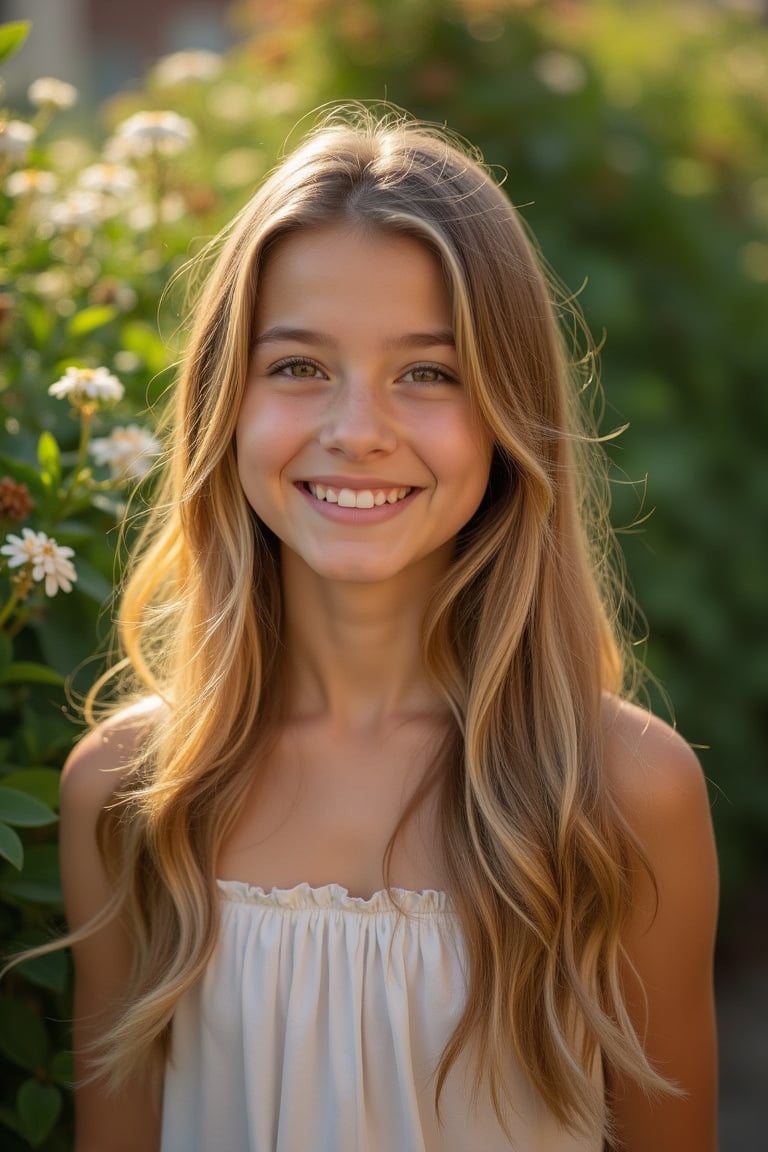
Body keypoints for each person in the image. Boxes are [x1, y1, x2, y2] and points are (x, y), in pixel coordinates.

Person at [58, 107, 718, 1152]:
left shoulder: (624, 793)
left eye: (428, 372)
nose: (357, 430)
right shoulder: (134, 791)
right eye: (298, 367)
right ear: (223, 405)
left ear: (509, 412)